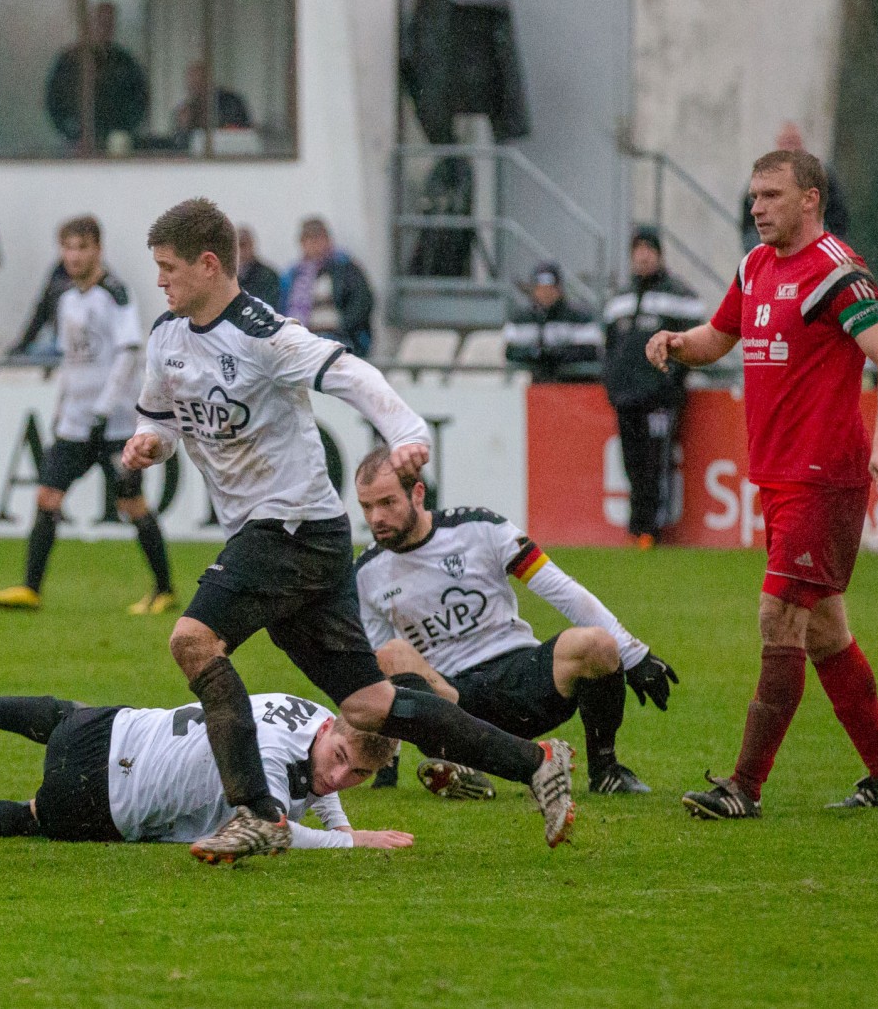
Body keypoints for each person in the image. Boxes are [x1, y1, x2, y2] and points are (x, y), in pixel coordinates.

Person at [124, 197, 577, 862]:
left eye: (168, 267)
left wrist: (407, 433)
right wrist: (149, 446)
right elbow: (159, 420)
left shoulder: (262, 331)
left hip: (292, 528)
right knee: (367, 703)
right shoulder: (167, 336)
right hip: (292, 535)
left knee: (194, 642)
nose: (160, 280)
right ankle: (535, 761)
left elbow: (349, 374)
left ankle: (256, 814)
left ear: (210, 263)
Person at [647, 148, 878, 819]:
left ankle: (743, 786)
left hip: (823, 476)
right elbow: (720, 337)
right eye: (753, 196)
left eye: (770, 195)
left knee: (778, 617)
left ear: (810, 199)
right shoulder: (755, 266)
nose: (757, 206)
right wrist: (680, 343)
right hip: (779, 477)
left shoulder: (836, 273)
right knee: (824, 632)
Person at [351, 447, 680, 796]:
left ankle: (605, 771)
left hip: (522, 678)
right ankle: (466, 763)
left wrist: (635, 654)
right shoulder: (366, 573)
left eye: (387, 503)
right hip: (451, 703)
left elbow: (561, 589)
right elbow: (375, 677)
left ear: (417, 494)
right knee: (391, 654)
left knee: (597, 644)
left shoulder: (480, 529)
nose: (376, 518)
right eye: (366, 507)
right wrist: (385, 767)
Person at [0, 673, 412, 853]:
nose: (338, 779)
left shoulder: (322, 719)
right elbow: (273, 829)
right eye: (341, 760)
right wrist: (348, 840)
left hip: (114, 728)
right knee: (33, 816)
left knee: (64, 715)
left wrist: (338, 813)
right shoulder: (271, 755)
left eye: (359, 776)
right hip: (103, 801)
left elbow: (325, 779)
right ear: (329, 734)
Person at [0, 216, 175, 615]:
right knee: (47, 496)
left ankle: (164, 589)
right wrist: (63, 407)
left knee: (131, 504)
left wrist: (105, 408)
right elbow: (73, 363)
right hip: (75, 422)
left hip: (113, 424)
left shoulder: (115, 294)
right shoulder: (67, 299)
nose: (73, 256)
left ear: (97, 250)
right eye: (67, 248)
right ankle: (30, 589)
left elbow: (128, 352)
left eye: (81, 248)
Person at [601, 227, 709, 547]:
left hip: (660, 399)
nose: (643, 255)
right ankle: (637, 529)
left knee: (655, 462)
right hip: (626, 398)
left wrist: (670, 384)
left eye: (649, 249)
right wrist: (613, 386)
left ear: (660, 254)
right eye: (638, 249)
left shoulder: (680, 296)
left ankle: (651, 531)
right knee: (631, 464)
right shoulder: (618, 299)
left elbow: (696, 343)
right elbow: (607, 349)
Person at [45, 1, 149, 149]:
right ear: (90, 24)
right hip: (75, 144)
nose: (105, 28)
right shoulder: (69, 62)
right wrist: (72, 133)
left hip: (114, 144)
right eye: (101, 22)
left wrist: (122, 132)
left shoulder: (125, 63)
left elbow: (139, 101)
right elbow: (54, 102)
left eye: (110, 23)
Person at [739, 122, 849, 249]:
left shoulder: (823, 178)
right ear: (777, 146)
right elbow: (748, 225)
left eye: (793, 142)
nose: (789, 148)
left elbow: (838, 218)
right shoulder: (763, 181)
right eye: (785, 142)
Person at [278, 218, 374, 356]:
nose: (316, 245)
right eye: (310, 240)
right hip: (302, 341)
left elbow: (361, 303)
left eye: (319, 239)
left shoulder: (345, 268)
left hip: (341, 338)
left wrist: (342, 327)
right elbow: (282, 308)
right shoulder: (293, 274)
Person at [503, 262, 601, 382]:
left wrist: (558, 355)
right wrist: (535, 354)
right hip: (537, 386)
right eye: (540, 288)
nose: (546, 294)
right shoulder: (521, 318)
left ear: (560, 289)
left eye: (551, 289)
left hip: (574, 385)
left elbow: (590, 350)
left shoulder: (579, 316)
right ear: (533, 290)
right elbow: (511, 351)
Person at [172, 61, 251, 148]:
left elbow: (241, 133)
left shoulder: (230, 102)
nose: (195, 90)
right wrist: (184, 127)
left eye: (199, 84)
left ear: (209, 81)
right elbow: (178, 146)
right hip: (197, 159)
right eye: (191, 86)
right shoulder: (186, 110)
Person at [236, 226, 280, 310]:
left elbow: (271, 305)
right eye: (236, 245)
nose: (240, 250)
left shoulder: (268, 275)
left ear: (252, 244)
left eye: (243, 245)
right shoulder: (226, 276)